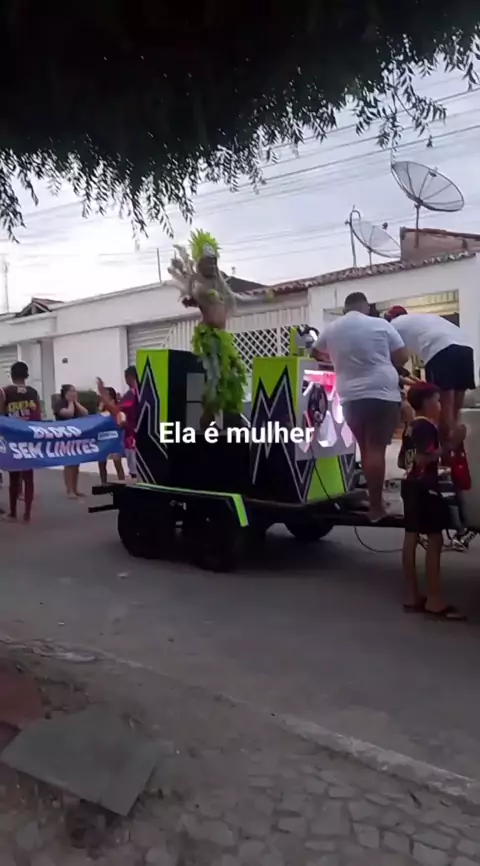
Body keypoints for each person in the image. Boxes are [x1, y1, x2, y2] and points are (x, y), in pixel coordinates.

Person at [312, 291, 409, 522]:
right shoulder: (380, 325)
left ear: (346, 309)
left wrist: (337, 361)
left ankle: (376, 501)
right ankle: (376, 508)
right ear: (365, 307)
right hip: (381, 393)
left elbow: (314, 352)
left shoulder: (333, 329)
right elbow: (402, 357)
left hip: (350, 396)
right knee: (376, 449)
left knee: (366, 450)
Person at [398, 381, 466, 620]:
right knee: (435, 539)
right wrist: (452, 443)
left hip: (409, 485)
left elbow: (402, 461)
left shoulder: (410, 427)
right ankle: (435, 600)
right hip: (425, 488)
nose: (439, 405)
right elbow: (422, 459)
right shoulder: (427, 427)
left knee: (411, 537)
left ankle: (412, 595)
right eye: (437, 401)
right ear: (427, 403)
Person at [167, 229, 247, 427]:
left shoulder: (219, 284)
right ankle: (206, 416)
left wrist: (264, 297)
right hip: (208, 335)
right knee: (214, 375)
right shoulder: (199, 284)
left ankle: (229, 413)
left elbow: (238, 298)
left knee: (232, 373)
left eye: (214, 262)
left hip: (222, 336)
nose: (212, 265)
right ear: (199, 263)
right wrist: (193, 296)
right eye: (208, 261)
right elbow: (194, 292)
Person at [385, 306, 475, 441]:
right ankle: (456, 433)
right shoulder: (420, 319)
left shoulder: (392, 326)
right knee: (456, 408)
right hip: (465, 347)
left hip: (440, 349)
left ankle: (447, 440)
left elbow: (395, 358)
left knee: (442, 404)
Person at [0, 361, 42, 522]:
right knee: (28, 477)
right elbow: (38, 416)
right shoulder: (33, 392)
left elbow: (1, 416)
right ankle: (27, 513)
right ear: (27, 375)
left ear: (11, 375)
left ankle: (13, 512)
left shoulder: (4, 392)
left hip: (12, 438)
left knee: (14, 477)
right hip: (28, 437)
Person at [54, 384, 88, 498]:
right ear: (65, 393)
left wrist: (75, 402)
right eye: (71, 391)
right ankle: (69, 490)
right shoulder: (60, 404)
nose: (74, 393)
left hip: (76, 437)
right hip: (65, 437)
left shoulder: (75, 404)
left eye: (75, 391)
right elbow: (69, 413)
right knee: (69, 463)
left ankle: (75, 488)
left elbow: (85, 413)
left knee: (76, 464)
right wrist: (70, 402)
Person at [98, 387, 126, 484]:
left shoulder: (116, 406)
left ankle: (122, 482)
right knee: (101, 462)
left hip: (115, 436)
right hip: (104, 436)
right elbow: (98, 418)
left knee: (117, 460)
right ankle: (103, 483)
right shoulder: (102, 406)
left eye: (106, 393)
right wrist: (100, 407)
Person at [119, 366, 138, 481]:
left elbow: (120, 412)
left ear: (129, 377)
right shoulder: (144, 391)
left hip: (131, 435)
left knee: (134, 467)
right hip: (142, 433)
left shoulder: (130, 395)